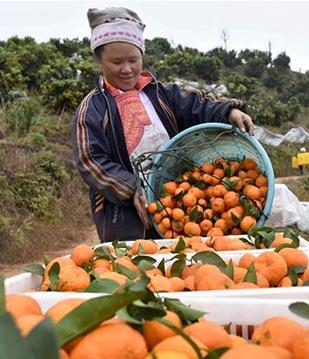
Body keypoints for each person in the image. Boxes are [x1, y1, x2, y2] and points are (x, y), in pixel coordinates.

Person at [71, 7, 254, 243]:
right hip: (125, 211)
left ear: (142, 57)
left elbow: (196, 104)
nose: (126, 69)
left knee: (184, 258)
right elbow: (90, 160)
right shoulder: (92, 109)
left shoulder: (162, 93)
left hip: (180, 196)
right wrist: (130, 188)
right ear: (99, 61)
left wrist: (229, 110)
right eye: (116, 62)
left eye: (133, 60)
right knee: (134, 264)